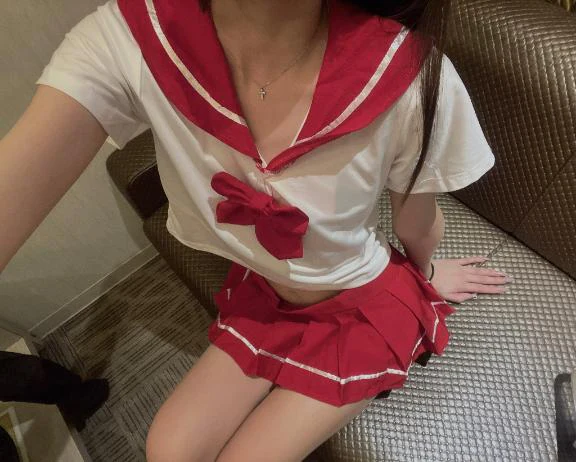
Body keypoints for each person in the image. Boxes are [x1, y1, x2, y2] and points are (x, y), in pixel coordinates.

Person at [0, 0, 513, 460]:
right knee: (167, 449)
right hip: (268, 295)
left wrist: (423, 283)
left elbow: (416, 221)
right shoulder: (126, 38)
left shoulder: (411, 73)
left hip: (362, 308)